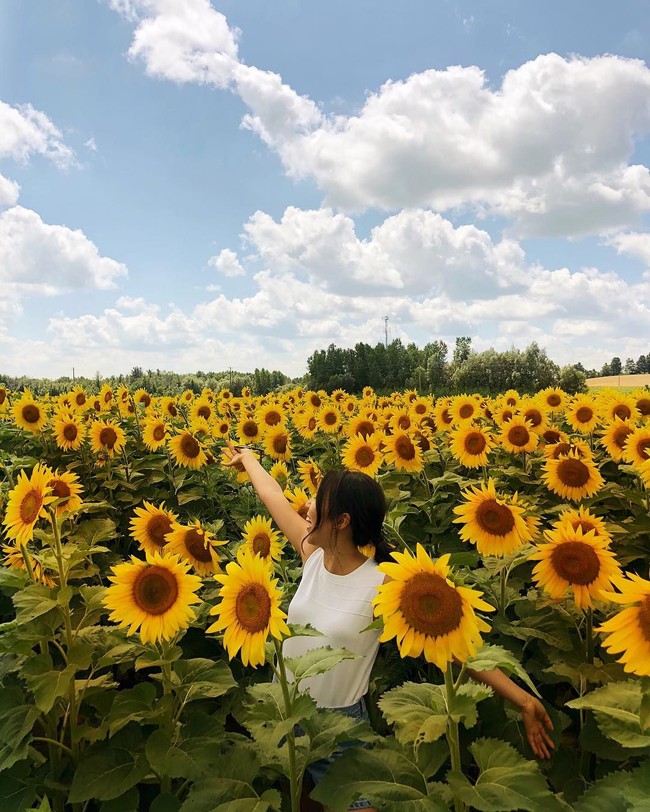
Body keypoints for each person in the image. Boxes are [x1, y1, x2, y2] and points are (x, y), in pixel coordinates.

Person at [224, 443, 554, 812]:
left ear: (341, 521)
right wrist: (248, 459)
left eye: (318, 502)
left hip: (339, 728)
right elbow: (273, 496)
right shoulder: (312, 556)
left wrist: (523, 699)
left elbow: (455, 646)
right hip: (288, 715)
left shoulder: (382, 584)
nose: (307, 506)